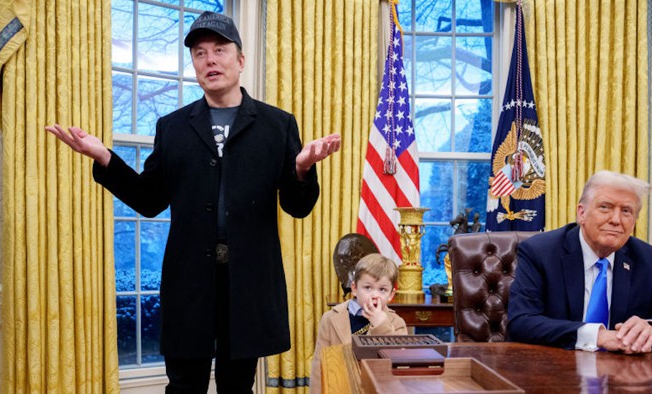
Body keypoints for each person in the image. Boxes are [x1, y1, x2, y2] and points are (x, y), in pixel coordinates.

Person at [46, 11, 341, 393]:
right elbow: (149, 200)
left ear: (240, 60)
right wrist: (105, 157)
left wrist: (302, 168)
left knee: (237, 386)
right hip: (189, 283)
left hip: (248, 283)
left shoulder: (277, 125)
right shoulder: (172, 127)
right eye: (200, 54)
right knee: (184, 385)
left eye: (220, 50)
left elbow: (297, 207)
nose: (210, 60)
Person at [508, 170, 652, 354]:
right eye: (605, 207)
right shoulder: (540, 252)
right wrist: (598, 336)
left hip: (621, 374)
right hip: (552, 367)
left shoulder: (645, 257)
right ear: (581, 213)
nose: (616, 220)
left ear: (634, 221)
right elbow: (522, 321)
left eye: (626, 211)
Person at [310, 253, 408, 393]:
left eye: (382, 289)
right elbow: (319, 367)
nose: (375, 295)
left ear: (391, 295)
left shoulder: (397, 323)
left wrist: (381, 326)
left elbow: (399, 367)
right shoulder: (330, 319)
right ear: (355, 289)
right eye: (368, 287)